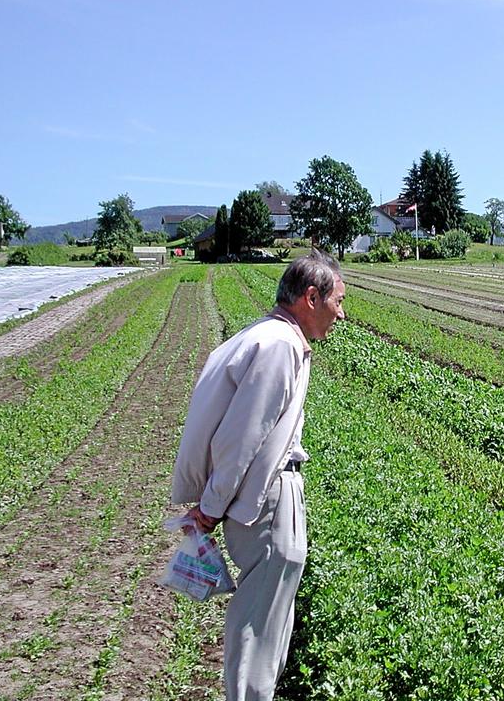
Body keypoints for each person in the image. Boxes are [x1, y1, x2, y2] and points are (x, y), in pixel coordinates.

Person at [170, 249, 346, 701]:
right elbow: (242, 438)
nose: (341, 314)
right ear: (311, 297)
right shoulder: (281, 345)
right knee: (259, 626)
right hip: (268, 499)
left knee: (267, 617)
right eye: (337, 301)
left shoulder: (262, 336)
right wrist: (209, 509)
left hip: (261, 497)